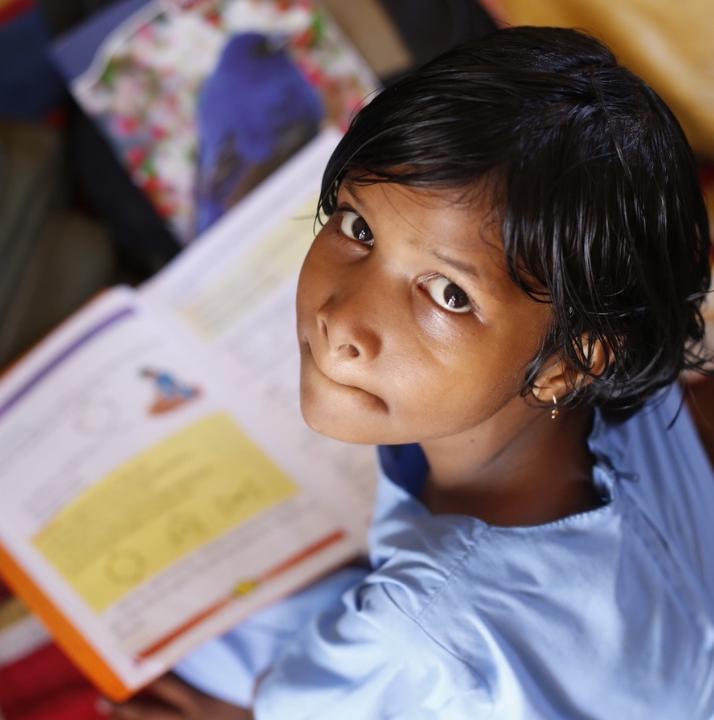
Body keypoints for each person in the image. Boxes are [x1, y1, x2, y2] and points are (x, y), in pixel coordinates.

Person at [106, 26, 714, 720]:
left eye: (449, 294)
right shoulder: (640, 388)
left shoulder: (413, 626)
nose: (343, 319)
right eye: (358, 227)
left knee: (211, 647)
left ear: (569, 362)